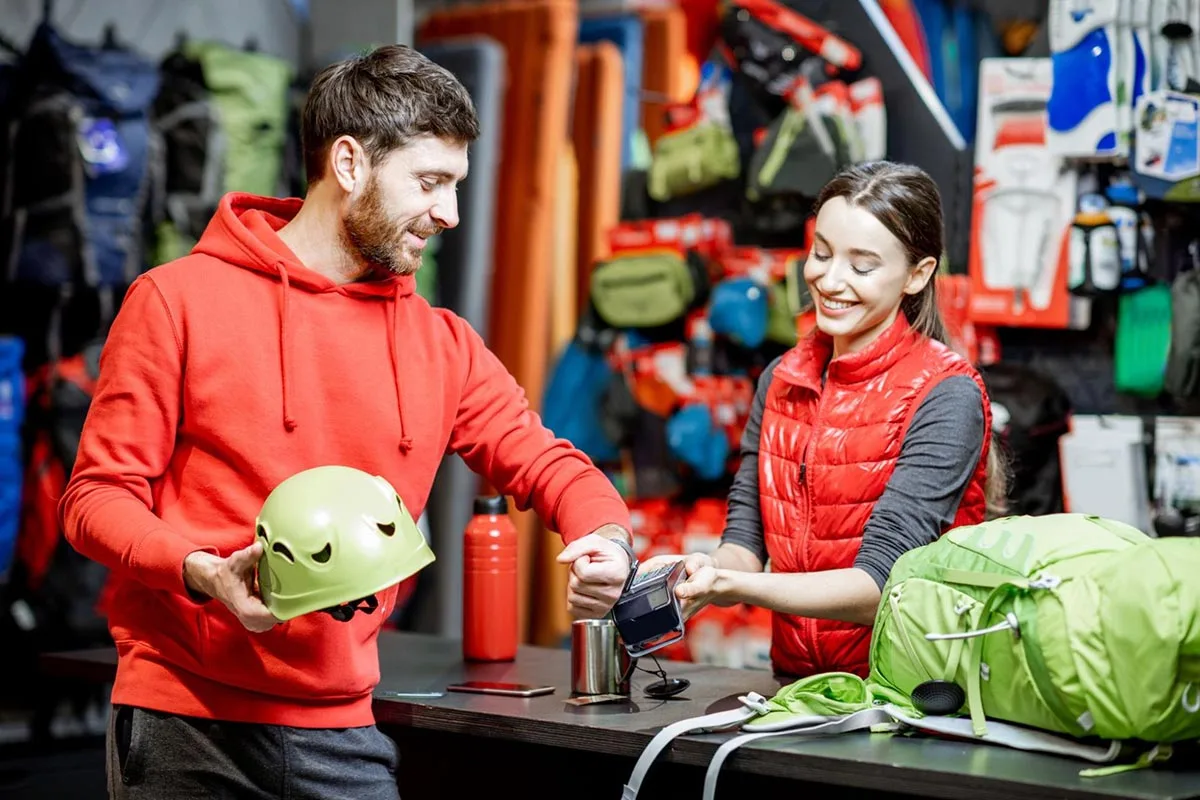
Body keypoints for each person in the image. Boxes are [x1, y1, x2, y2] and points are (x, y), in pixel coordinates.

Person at [59, 45, 636, 800]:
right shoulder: (176, 302)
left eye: (456, 185)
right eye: (429, 182)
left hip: (342, 727)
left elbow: (548, 462)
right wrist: (201, 571)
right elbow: (95, 499)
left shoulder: (441, 343)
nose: (450, 213)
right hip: (185, 720)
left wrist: (606, 537)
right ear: (350, 163)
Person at [643, 160, 1006, 680]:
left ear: (917, 275)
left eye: (862, 266)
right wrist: (702, 572)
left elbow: (879, 586)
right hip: (798, 686)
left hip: (913, 695)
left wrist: (734, 588)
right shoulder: (781, 379)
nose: (829, 280)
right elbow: (745, 542)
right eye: (821, 253)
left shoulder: (946, 396)